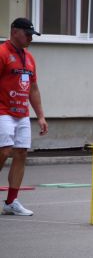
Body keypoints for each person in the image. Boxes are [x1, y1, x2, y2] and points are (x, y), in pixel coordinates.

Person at [0, 17, 48, 215]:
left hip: (22, 114)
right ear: (14, 32)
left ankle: (11, 202)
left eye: (32, 35)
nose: (30, 38)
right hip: (3, 111)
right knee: (4, 151)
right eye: (27, 34)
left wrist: (41, 116)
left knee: (21, 153)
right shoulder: (2, 53)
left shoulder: (29, 58)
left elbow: (33, 89)